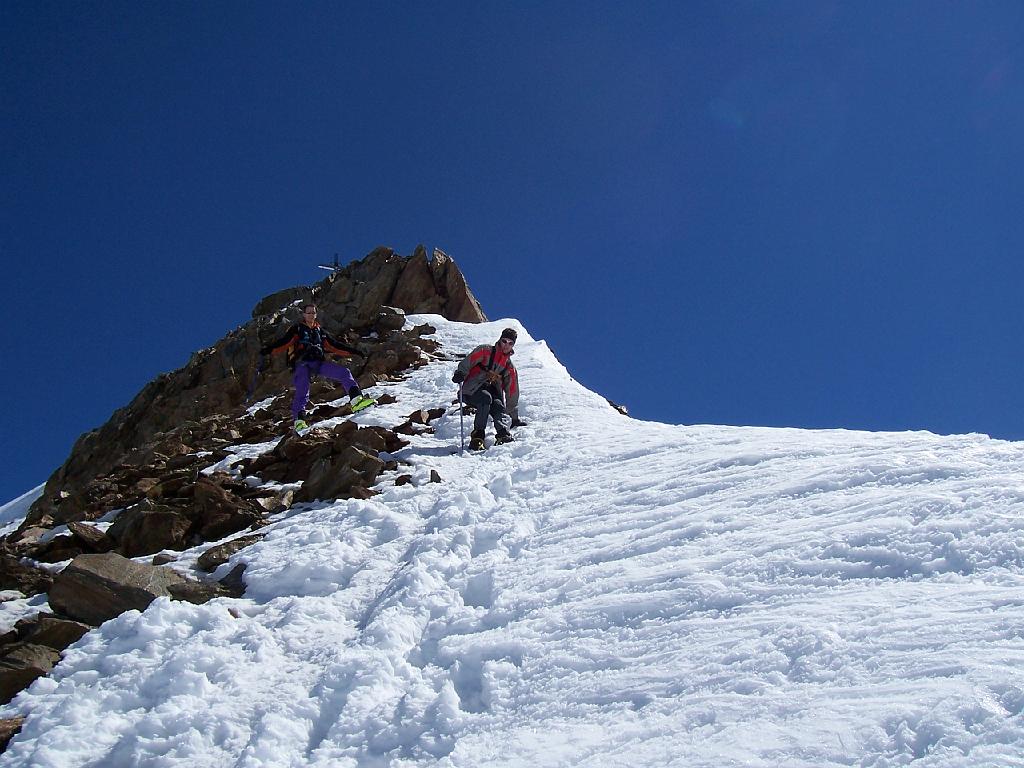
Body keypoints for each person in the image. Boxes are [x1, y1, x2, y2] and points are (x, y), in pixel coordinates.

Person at [260, 303, 373, 430]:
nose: (311, 315)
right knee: (303, 389)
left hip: (318, 363)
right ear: (304, 314)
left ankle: (357, 401)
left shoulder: (319, 331)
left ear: (316, 314)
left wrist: (354, 351)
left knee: (344, 372)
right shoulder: (297, 329)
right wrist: (269, 349)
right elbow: (285, 342)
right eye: (308, 313)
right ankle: (299, 421)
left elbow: (334, 345)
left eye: (313, 313)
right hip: (301, 362)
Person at [452, 328, 520, 450]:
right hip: (471, 390)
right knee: (485, 398)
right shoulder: (485, 351)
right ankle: (478, 436)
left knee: (499, 405)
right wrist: (460, 373)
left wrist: (514, 417)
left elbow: (512, 391)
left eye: (510, 343)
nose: (506, 345)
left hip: (492, 392)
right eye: (504, 341)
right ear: (500, 340)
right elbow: (468, 361)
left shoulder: (509, 367)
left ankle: (503, 434)